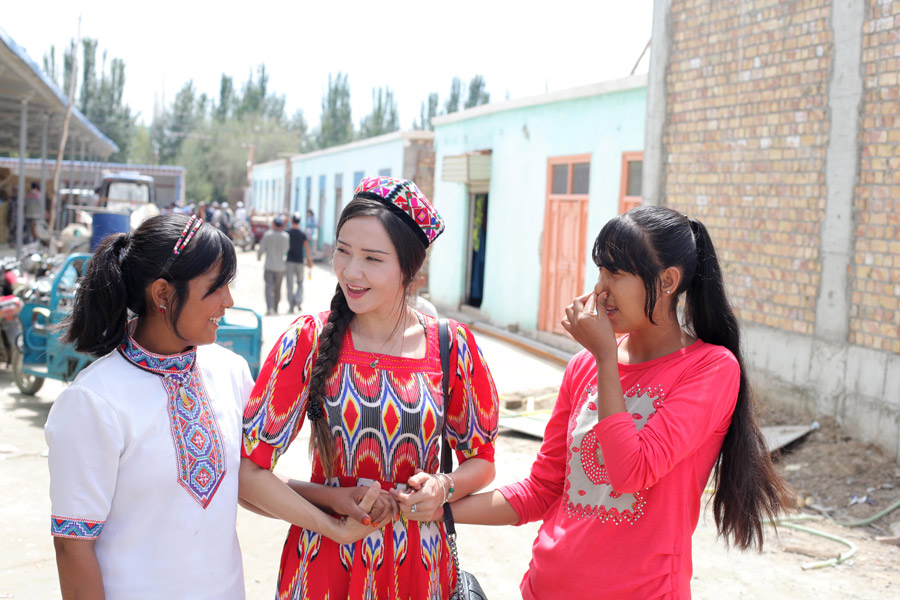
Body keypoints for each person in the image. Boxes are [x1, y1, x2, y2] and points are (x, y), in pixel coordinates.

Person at [446, 205, 790, 599]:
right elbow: (541, 490)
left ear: (667, 281)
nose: (600, 290)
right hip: (545, 588)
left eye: (617, 273)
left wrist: (605, 358)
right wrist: (438, 510)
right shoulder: (583, 366)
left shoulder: (710, 369)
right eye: (600, 271)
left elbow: (631, 472)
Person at [44, 214, 379, 599]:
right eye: (215, 288)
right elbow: (73, 545)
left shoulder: (229, 370)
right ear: (162, 294)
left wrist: (331, 500)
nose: (229, 301)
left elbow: (240, 482)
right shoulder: (92, 401)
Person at [240, 176, 500, 599]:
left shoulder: (453, 347)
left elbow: (482, 461)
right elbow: (249, 473)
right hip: (324, 565)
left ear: (411, 269)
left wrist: (443, 487)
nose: (351, 271)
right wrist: (332, 512)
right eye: (343, 251)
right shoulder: (306, 341)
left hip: (421, 570)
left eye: (372, 258)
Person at [257, 214, 290, 315]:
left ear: (274, 224)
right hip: (280, 267)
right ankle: (276, 307)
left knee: (269, 288)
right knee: (278, 288)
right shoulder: (286, 236)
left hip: (269, 266)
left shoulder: (268, 235)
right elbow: (286, 249)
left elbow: (262, 248)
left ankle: (270, 308)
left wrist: (259, 256)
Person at [285, 212, 314, 313]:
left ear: (292, 221)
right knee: (300, 282)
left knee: (289, 284)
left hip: (289, 261)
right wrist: (309, 261)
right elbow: (307, 248)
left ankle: (291, 306)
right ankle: (298, 300)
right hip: (300, 261)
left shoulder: (287, 233)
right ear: (299, 221)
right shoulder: (302, 234)